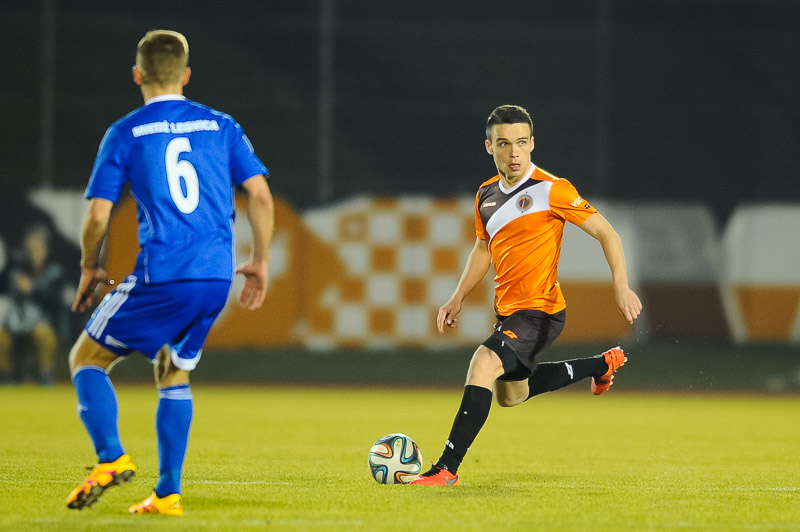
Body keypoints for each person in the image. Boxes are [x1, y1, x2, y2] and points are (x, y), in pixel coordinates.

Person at [65, 30, 274, 515]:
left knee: (85, 359)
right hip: (215, 278)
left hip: (164, 272)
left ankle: (110, 458)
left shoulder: (126, 131)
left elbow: (98, 216)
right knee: (172, 370)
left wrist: (90, 266)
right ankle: (167, 493)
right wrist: (260, 260)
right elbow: (260, 196)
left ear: (137, 75)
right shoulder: (222, 125)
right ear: (186, 75)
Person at [410, 105, 642, 486]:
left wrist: (620, 286)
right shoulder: (485, 195)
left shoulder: (552, 189)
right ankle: (599, 365)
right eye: (504, 144)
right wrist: (457, 297)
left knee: (483, 363)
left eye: (521, 142)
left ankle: (446, 468)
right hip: (509, 313)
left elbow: (607, 233)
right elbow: (483, 249)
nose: (514, 152)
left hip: (541, 311)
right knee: (511, 395)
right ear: (489, 147)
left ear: (532, 143)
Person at [0, 225, 65, 386]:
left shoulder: (54, 272)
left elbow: (55, 303)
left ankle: (45, 375)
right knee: (1, 337)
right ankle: (6, 377)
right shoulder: (17, 269)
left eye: (35, 247)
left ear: (44, 249)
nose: (31, 251)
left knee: (42, 333)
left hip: (42, 324)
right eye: (29, 248)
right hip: (16, 324)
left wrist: (32, 290)